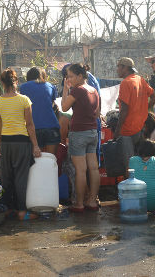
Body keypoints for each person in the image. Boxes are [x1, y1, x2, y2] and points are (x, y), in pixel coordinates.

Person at [0, 68, 41, 220]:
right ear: (16, 81)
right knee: (21, 177)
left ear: (2, 82)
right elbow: (30, 125)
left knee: (7, 177)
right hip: (21, 142)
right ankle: (22, 211)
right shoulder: (24, 100)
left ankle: (7, 209)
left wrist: (0, 144)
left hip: (6, 142)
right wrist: (35, 145)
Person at [61, 64, 101, 212]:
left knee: (80, 170)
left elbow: (64, 108)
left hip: (79, 133)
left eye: (71, 76)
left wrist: (66, 89)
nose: (69, 79)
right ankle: (91, 201)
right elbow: (97, 114)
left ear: (79, 76)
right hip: (92, 132)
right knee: (94, 168)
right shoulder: (94, 90)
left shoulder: (77, 90)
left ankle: (79, 203)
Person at [114, 57, 155, 171]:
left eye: (118, 66)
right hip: (140, 128)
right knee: (141, 161)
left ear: (125, 68)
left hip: (127, 130)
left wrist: (117, 131)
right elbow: (154, 97)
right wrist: (144, 109)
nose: (117, 69)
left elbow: (124, 110)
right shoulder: (140, 79)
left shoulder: (126, 83)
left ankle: (131, 188)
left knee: (129, 165)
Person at [19, 67, 60, 154]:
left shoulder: (23, 88)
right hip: (51, 127)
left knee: (36, 161)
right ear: (42, 76)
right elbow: (52, 103)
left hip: (34, 128)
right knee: (51, 159)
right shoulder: (51, 86)